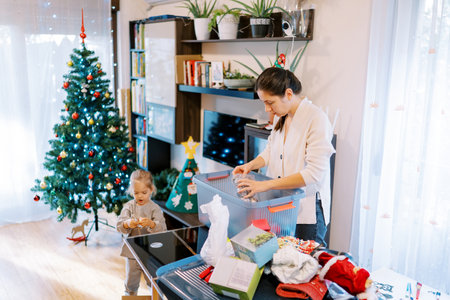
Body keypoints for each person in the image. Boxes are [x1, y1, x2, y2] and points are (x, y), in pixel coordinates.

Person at [233, 67, 335, 246]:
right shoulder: (282, 117)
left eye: (270, 102)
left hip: (306, 210)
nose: (267, 109)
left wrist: (265, 185)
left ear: (288, 93)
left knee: (306, 264)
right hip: (282, 205)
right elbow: (271, 151)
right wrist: (251, 164)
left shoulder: (316, 119)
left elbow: (313, 174)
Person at [117, 169, 167, 296]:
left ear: (151, 190)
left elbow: (162, 228)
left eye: (144, 192)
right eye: (136, 193)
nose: (140, 196)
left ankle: (156, 296)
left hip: (151, 252)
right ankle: (130, 295)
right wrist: (127, 223)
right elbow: (119, 225)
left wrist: (151, 224)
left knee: (153, 281)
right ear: (131, 191)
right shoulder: (129, 206)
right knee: (131, 281)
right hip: (132, 252)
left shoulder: (155, 209)